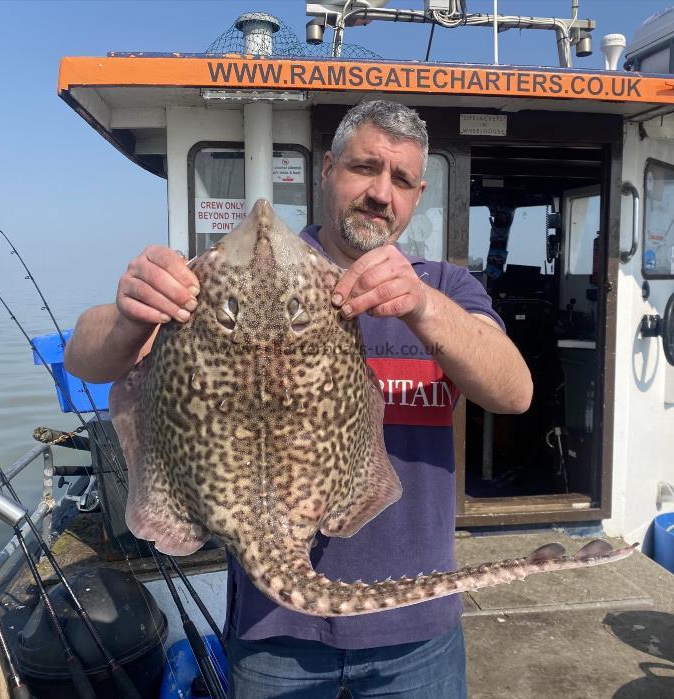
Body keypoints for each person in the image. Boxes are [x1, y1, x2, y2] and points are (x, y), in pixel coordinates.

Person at [65, 100, 532, 698]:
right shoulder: (209, 283)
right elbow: (86, 356)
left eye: (402, 179)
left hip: (416, 636)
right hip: (274, 634)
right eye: (365, 168)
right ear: (329, 168)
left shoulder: (443, 286)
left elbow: (514, 391)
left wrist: (418, 304)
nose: (381, 192)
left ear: (417, 195)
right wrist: (133, 311)